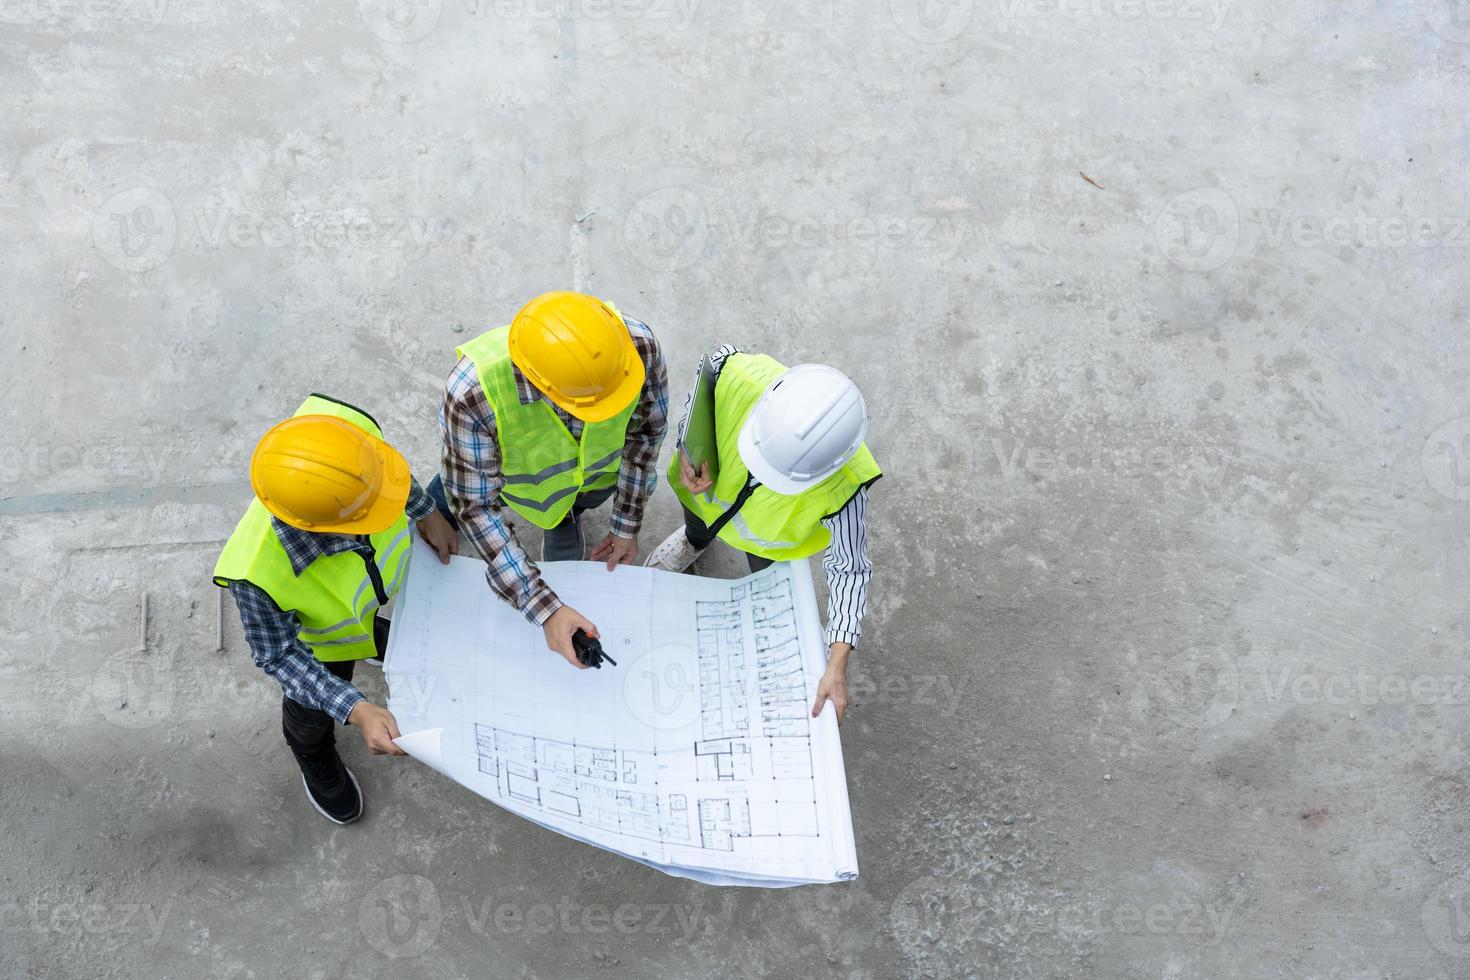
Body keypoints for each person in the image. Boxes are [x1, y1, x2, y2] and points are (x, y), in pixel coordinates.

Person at [212, 394, 459, 825]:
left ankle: (377, 642)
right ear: (328, 528)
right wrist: (355, 708)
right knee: (309, 713)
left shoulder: (342, 443)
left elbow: (387, 480)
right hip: (323, 644)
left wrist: (425, 512)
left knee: (389, 636)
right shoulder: (255, 575)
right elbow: (278, 655)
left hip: (365, 606)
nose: (382, 512)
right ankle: (313, 755)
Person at [644, 346, 880, 724]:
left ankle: (777, 609)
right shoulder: (735, 374)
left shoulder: (847, 485)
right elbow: (707, 379)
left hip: (769, 544)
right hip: (704, 501)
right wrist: (686, 447)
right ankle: (694, 540)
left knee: (768, 581)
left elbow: (850, 570)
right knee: (698, 525)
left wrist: (836, 663)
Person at [435, 291, 668, 670]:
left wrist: (626, 523)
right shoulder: (472, 395)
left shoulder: (636, 347)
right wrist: (545, 608)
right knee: (464, 489)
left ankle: (568, 513)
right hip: (527, 487)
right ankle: (558, 517)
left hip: (596, 476)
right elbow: (476, 506)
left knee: (580, 497)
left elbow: (645, 435)